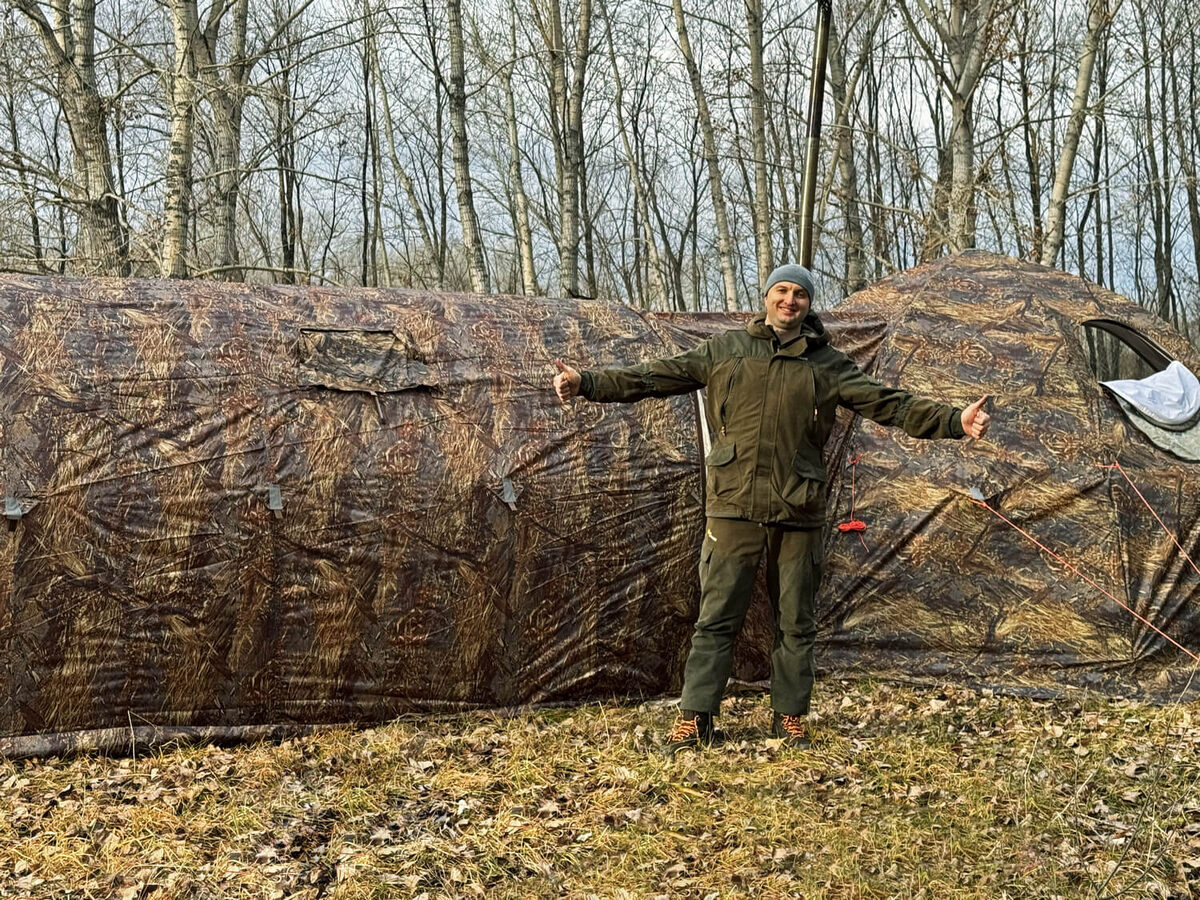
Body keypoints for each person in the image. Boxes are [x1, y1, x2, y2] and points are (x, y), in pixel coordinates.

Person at [552, 263, 991, 754]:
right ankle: (696, 718)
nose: (789, 300)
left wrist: (955, 420)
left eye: (799, 294)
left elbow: (889, 403)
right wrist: (587, 382)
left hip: (798, 509)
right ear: (765, 297)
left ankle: (789, 718)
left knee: (795, 621)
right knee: (716, 617)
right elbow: (655, 377)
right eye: (781, 291)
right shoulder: (726, 351)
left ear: (808, 304)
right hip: (733, 506)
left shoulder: (828, 365)